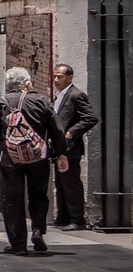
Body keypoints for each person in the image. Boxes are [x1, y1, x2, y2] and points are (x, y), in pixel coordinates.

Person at [0, 67, 69, 253]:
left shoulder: (1, 103)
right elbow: (57, 130)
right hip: (38, 156)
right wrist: (61, 153)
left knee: (11, 197)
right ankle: (37, 229)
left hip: (9, 157)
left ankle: (18, 243)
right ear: (27, 84)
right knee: (38, 194)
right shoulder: (41, 101)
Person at [51, 63, 99, 230]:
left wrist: (72, 132)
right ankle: (63, 217)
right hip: (59, 147)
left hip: (70, 147)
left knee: (71, 183)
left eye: (60, 77)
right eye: (54, 76)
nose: (56, 80)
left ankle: (77, 220)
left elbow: (91, 117)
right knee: (61, 183)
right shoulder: (59, 95)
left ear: (70, 78)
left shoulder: (76, 95)